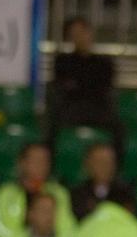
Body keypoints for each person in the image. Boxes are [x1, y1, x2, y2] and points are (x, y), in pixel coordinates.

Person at [49, 17, 121, 153]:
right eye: (74, 34)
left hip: (98, 109)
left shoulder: (104, 62)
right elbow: (64, 88)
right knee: (53, 125)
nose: (80, 37)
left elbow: (103, 89)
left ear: (90, 33)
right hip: (72, 108)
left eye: (82, 32)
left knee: (118, 128)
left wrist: (79, 85)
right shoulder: (63, 61)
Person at [0, 143, 75, 237]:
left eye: (45, 161)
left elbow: (67, 227)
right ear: (22, 163)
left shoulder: (59, 193)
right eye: (35, 160)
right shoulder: (5, 193)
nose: (41, 165)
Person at [69, 142, 135, 222]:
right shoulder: (77, 194)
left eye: (109, 161)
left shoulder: (125, 193)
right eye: (99, 161)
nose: (105, 166)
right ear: (87, 164)